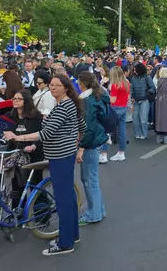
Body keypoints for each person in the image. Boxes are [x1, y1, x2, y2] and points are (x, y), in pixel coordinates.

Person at [4, 75, 86, 256]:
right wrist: (75, 142)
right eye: (51, 85)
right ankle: (72, 235)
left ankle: (65, 243)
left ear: (66, 88)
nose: (53, 88)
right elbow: (81, 125)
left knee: (63, 199)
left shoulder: (64, 106)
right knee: (68, 197)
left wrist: (19, 137)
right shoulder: (67, 104)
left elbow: (46, 133)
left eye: (57, 85)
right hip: (64, 154)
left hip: (60, 156)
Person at [76, 72, 110, 226]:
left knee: (90, 180)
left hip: (91, 142)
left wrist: (81, 147)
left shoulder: (87, 100)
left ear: (82, 83)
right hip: (97, 138)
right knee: (91, 179)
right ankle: (98, 209)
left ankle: (94, 213)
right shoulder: (98, 96)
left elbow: (87, 127)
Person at [107, 66, 130, 162]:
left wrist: (106, 97)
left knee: (107, 131)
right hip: (123, 107)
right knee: (122, 130)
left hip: (115, 107)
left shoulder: (115, 85)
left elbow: (113, 99)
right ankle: (121, 152)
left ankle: (103, 154)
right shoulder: (126, 83)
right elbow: (128, 97)